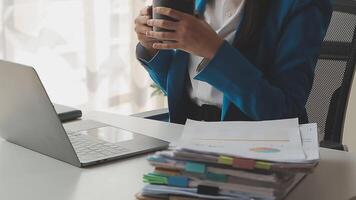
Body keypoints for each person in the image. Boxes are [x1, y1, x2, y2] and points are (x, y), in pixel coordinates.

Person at [134, 0, 332, 124]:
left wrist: (214, 51)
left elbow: (284, 112)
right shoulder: (195, 3)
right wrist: (150, 46)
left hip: (258, 150)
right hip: (187, 139)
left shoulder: (302, 5)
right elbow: (187, 90)